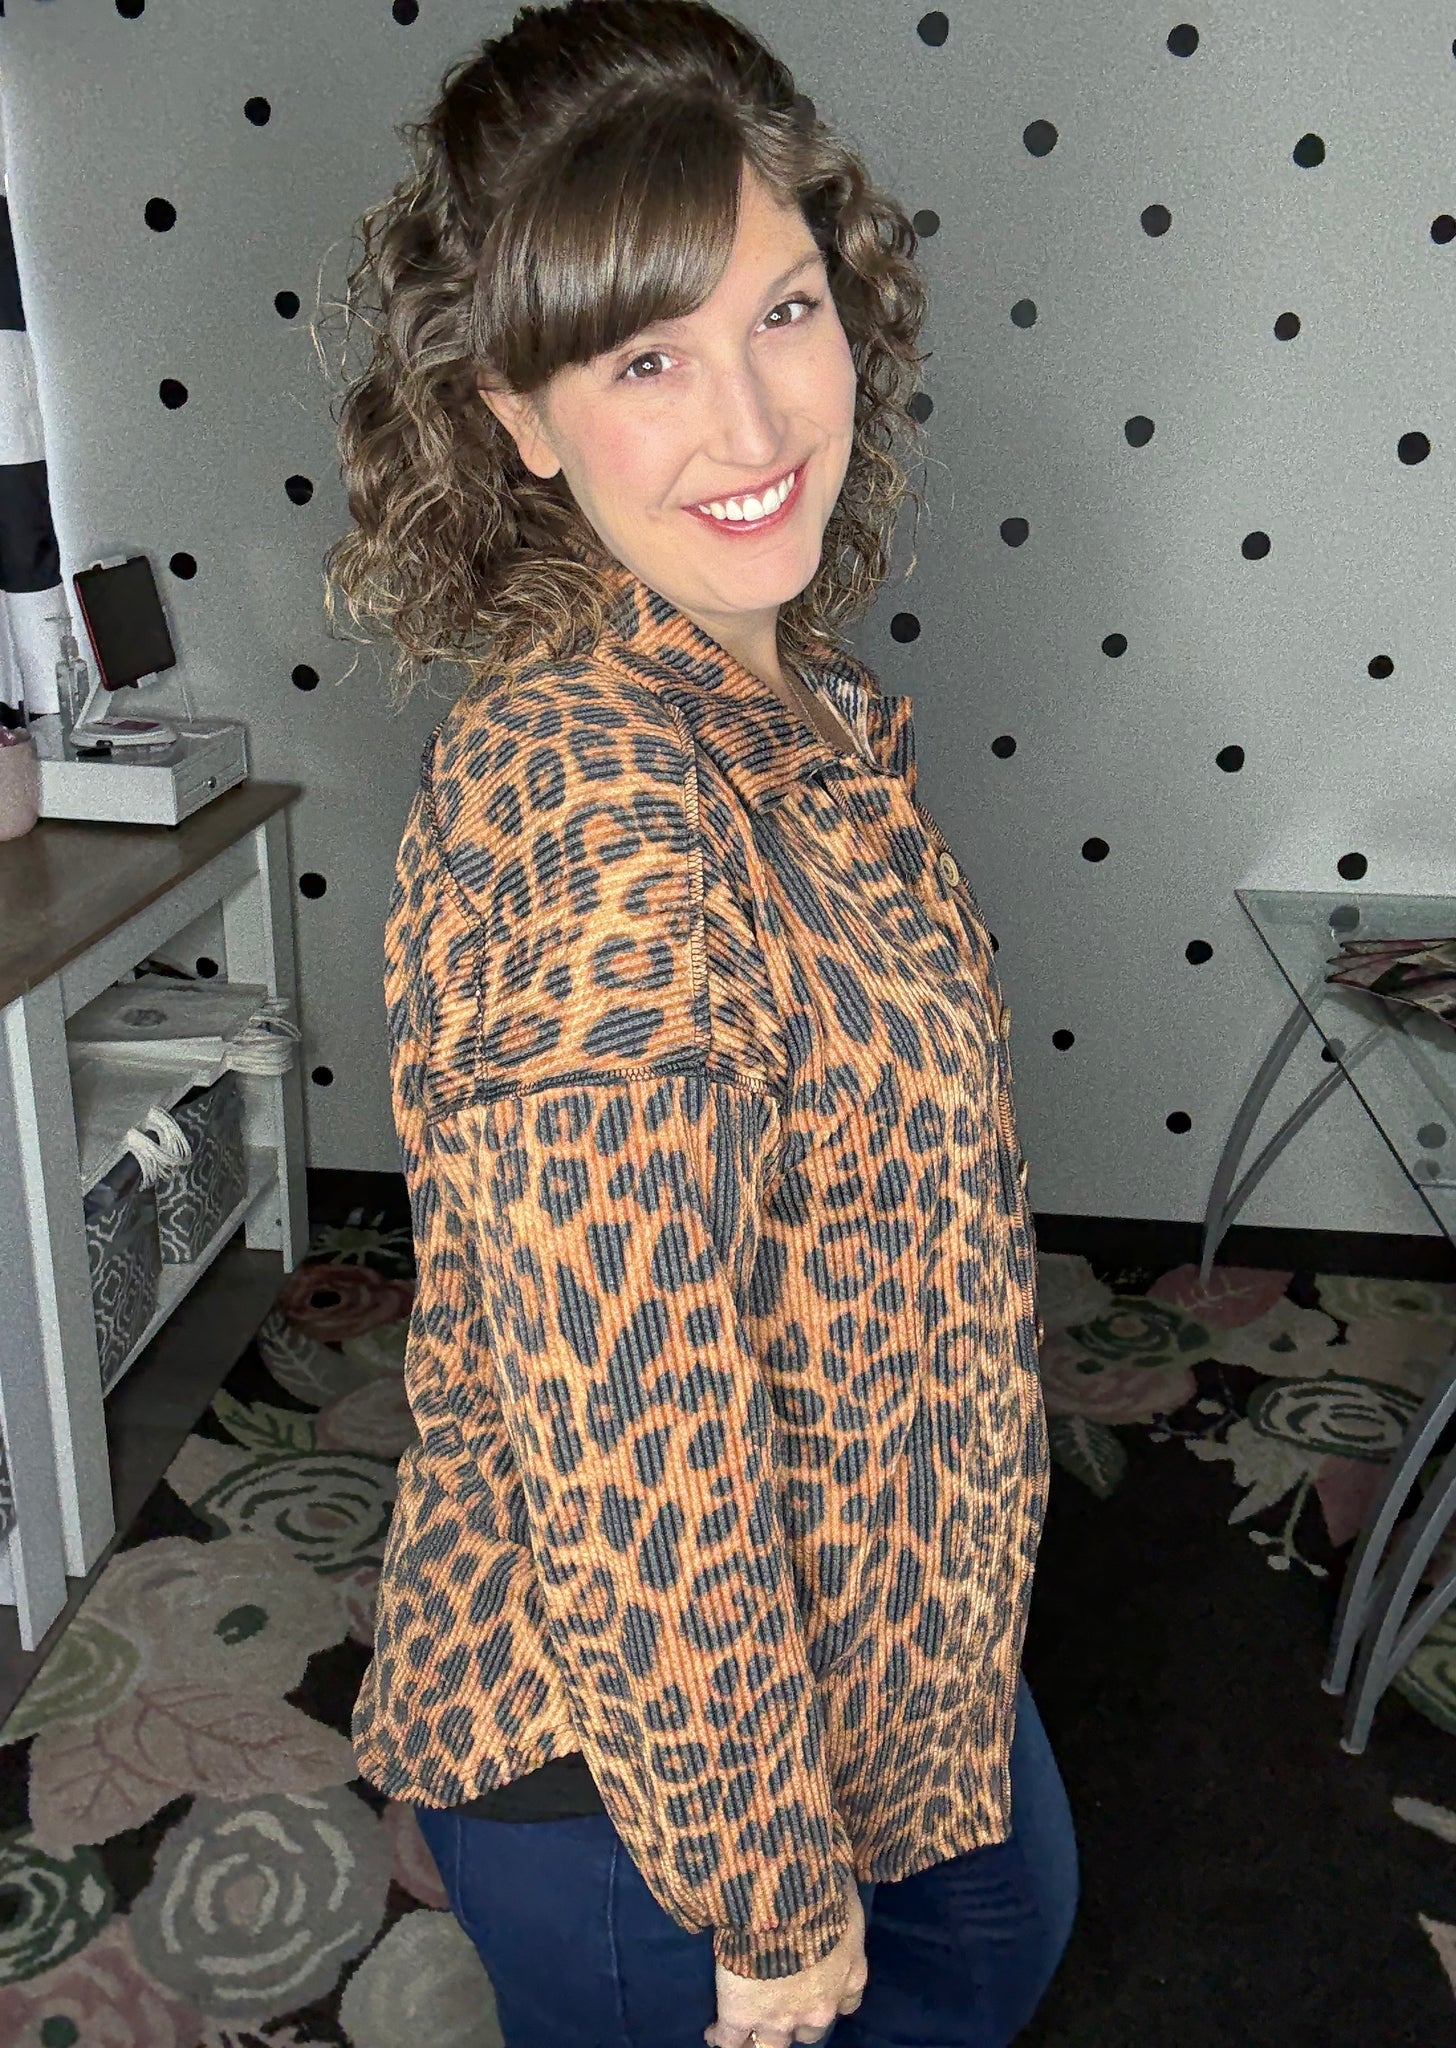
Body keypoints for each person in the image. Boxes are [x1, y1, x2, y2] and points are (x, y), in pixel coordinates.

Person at [323, 4, 1078, 2043]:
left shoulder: (764, 690)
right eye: (645, 360)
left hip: (870, 1653)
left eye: (783, 311)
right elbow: (637, 1430)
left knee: (1008, 1939)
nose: (753, 423)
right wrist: (762, 1887)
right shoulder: (599, 803)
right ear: (519, 417)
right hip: (656, 1804)